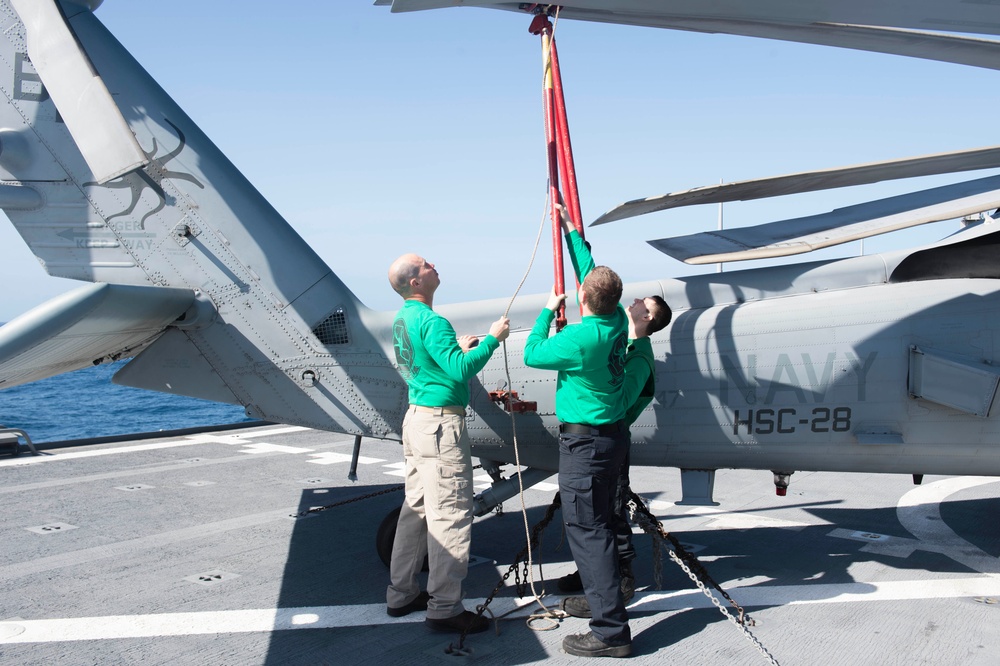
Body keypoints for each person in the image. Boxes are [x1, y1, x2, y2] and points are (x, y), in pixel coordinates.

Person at [523, 207, 632, 658]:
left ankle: (610, 632)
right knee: (606, 521)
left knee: (588, 532)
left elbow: (532, 353)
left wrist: (547, 309)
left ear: (584, 300)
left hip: (584, 444)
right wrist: (569, 227)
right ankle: (615, 593)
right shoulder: (616, 319)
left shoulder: (580, 339)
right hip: (613, 437)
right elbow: (590, 271)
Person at [384, 253, 510, 635]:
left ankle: (401, 593)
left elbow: (429, 360)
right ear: (416, 282)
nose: (432, 264)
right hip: (441, 426)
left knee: (416, 510)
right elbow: (460, 370)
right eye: (425, 264)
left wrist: (457, 346)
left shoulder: (403, 318)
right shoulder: (434, 321)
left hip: (417, 420)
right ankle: (444, 607)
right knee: (450, 516)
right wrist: (492, 340)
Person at [559, 292, 672, 616]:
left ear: (648, 318)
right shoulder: (624, 343)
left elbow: (619, 405)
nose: (634, 301)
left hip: (608, 440)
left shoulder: (638, 356)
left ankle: (620, 582)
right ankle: (593, 575)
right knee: (600, 514)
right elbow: (595, 287)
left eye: (643, 303)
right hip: (605, 440)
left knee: (609, 514)